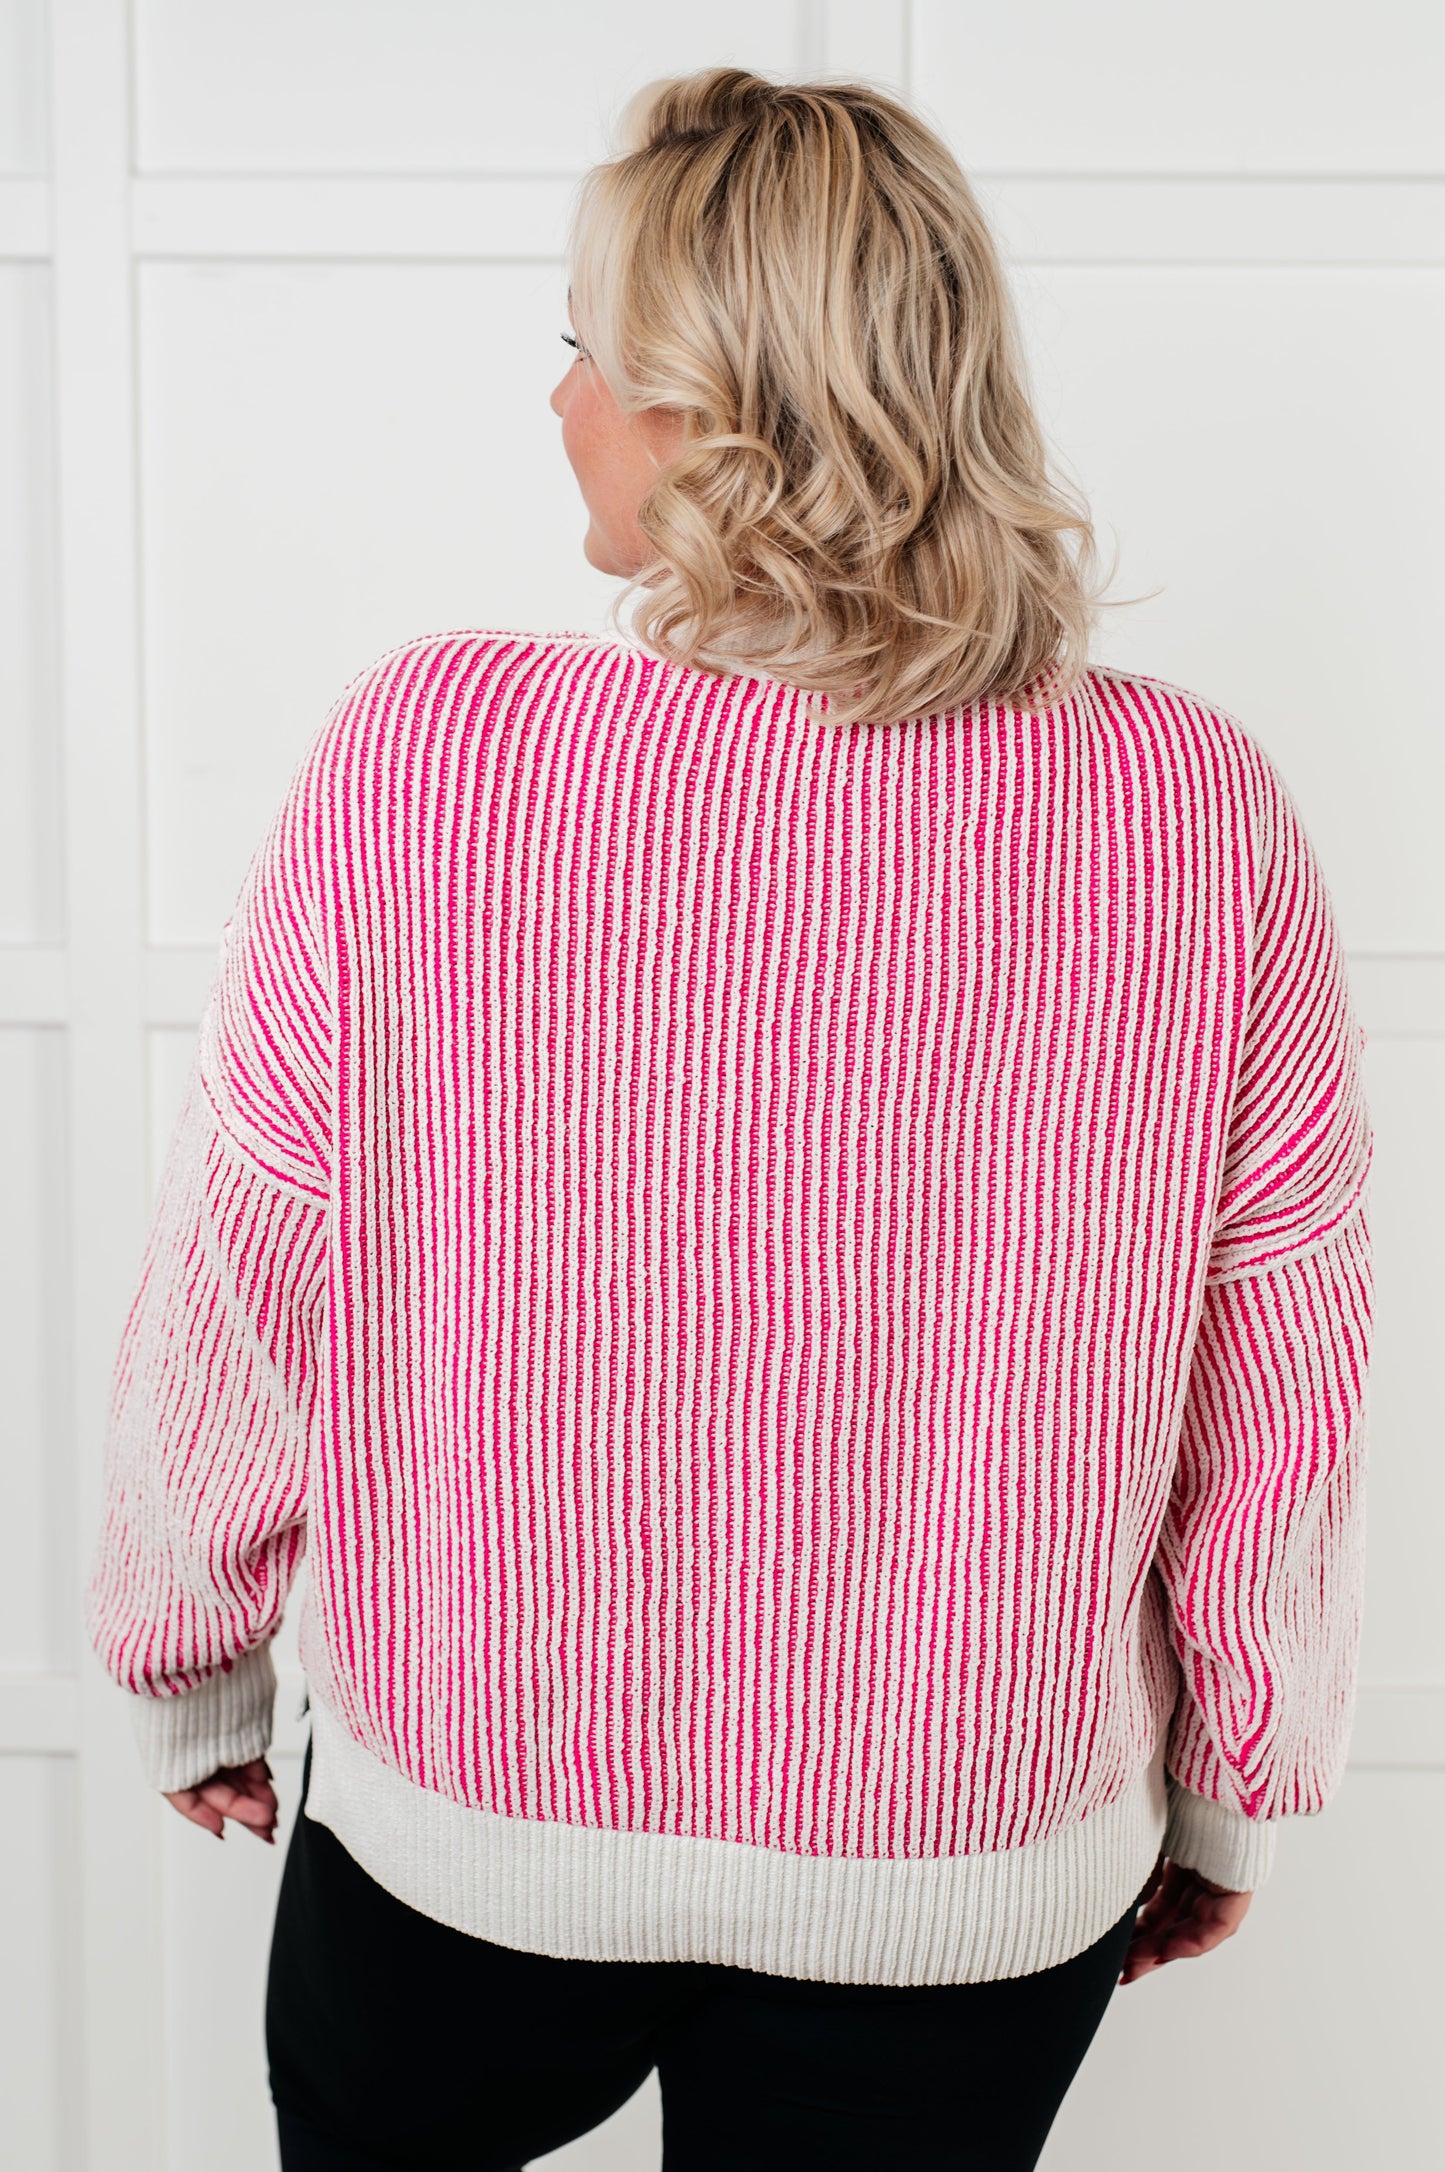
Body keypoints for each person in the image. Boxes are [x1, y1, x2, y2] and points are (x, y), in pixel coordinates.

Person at [83, 66, 1375, 2172]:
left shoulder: (427, 758)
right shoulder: (1192, 814)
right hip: (961, 1873)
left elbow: (250, 1245)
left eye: (588, 350)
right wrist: (1238, 1772)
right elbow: (1282, 1350)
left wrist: (187, 1652)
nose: (561, 401)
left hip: (469, 1845)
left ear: (706, 408)